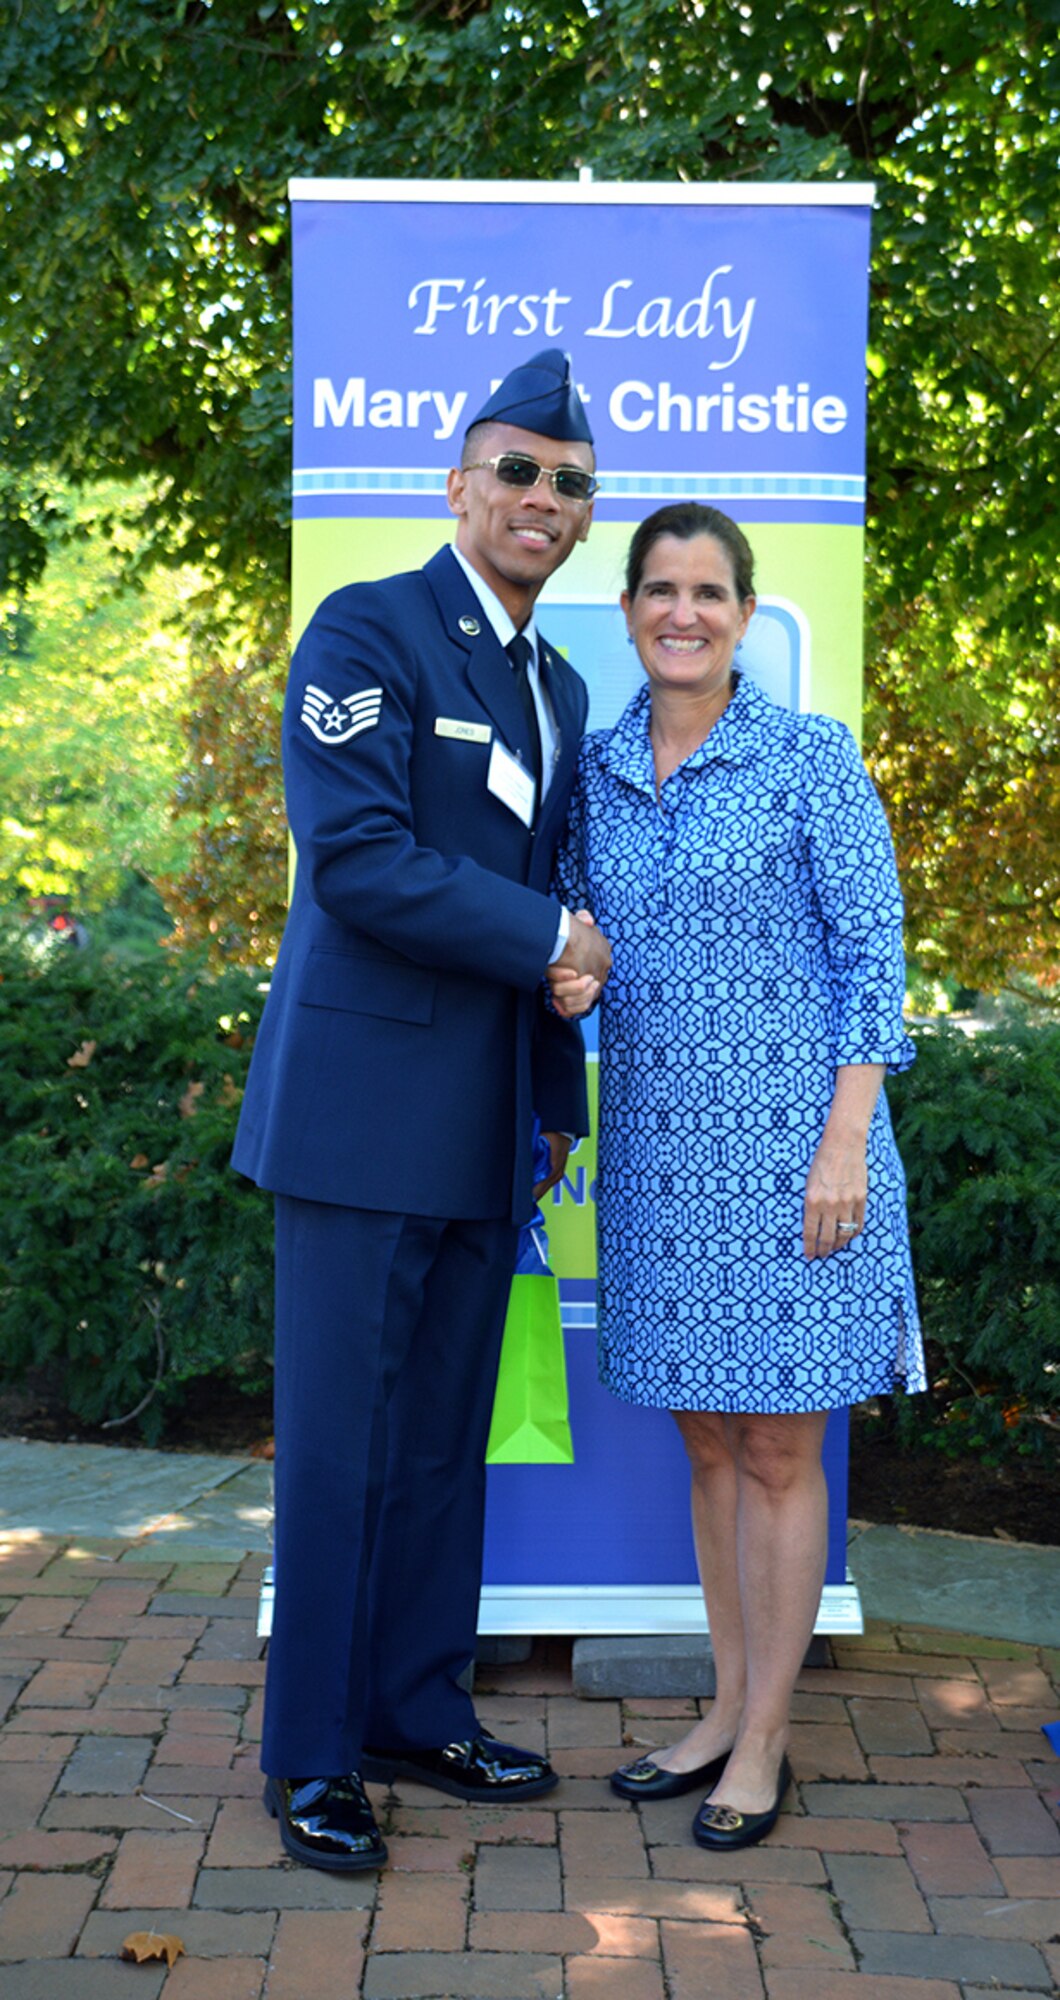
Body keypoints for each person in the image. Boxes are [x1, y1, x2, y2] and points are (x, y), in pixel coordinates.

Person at [233, 349, 611, 1872]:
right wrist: (550, 946)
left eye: (571, 483)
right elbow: (365, 862)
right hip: (353, 1118)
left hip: (483, 1129)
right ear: (459, 485)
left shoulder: (563, 682)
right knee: (339, 1446)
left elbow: (548, 899)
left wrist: (553, 1089)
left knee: (447, 1441)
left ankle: (412, 1707)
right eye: (517, 470)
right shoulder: (367, 629)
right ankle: (314, 1759)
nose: (543, 498)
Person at [549, 502, 924, 1852]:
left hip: (795, 1160)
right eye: (660, 588)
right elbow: (588, 945)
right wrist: (573, 965)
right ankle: (721, 1705)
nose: (684, 611)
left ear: (746, 614)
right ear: (632, 610)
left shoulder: (813, 760)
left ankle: (766, 1736)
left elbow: (874, 972)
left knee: (778, 1442)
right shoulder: (596, 773)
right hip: (659, 1159)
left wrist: (843, 1145)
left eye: (710, 590)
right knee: (707, 1435)